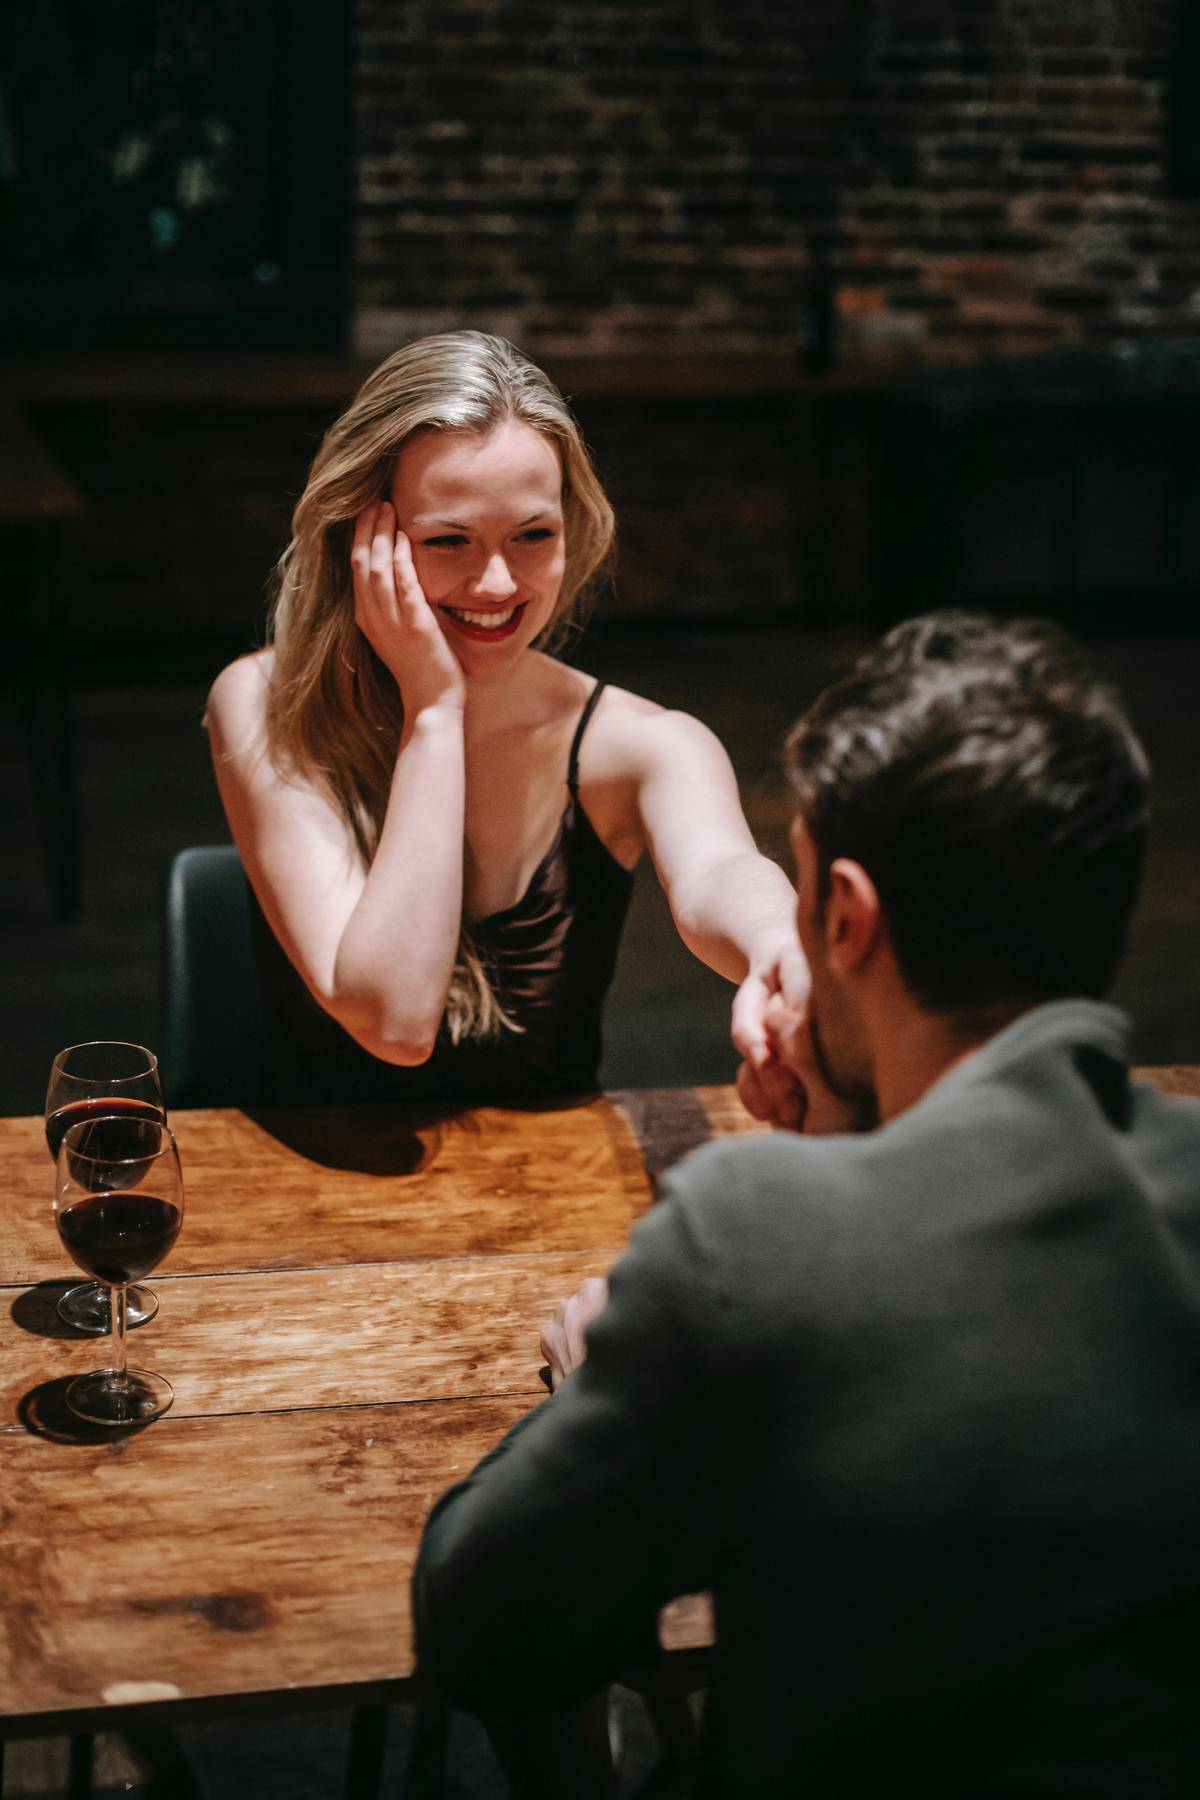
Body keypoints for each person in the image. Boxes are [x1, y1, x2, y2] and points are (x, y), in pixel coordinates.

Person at [413, 611, 1200, 1798]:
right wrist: (852, 1128)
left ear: (848, 917)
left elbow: (479, 1624)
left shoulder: (757, 1240)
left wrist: (600, 1382)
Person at [206, 330, 804, 1104]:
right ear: (359, 537)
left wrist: (781, 947)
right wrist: (434, 712)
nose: (496, 584)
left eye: (533, 535)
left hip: (554, 1201)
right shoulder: (261, 701)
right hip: (313, 1191)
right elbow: (395, 1021)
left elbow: (723, 872)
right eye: (449, 540)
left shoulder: (645, 743)